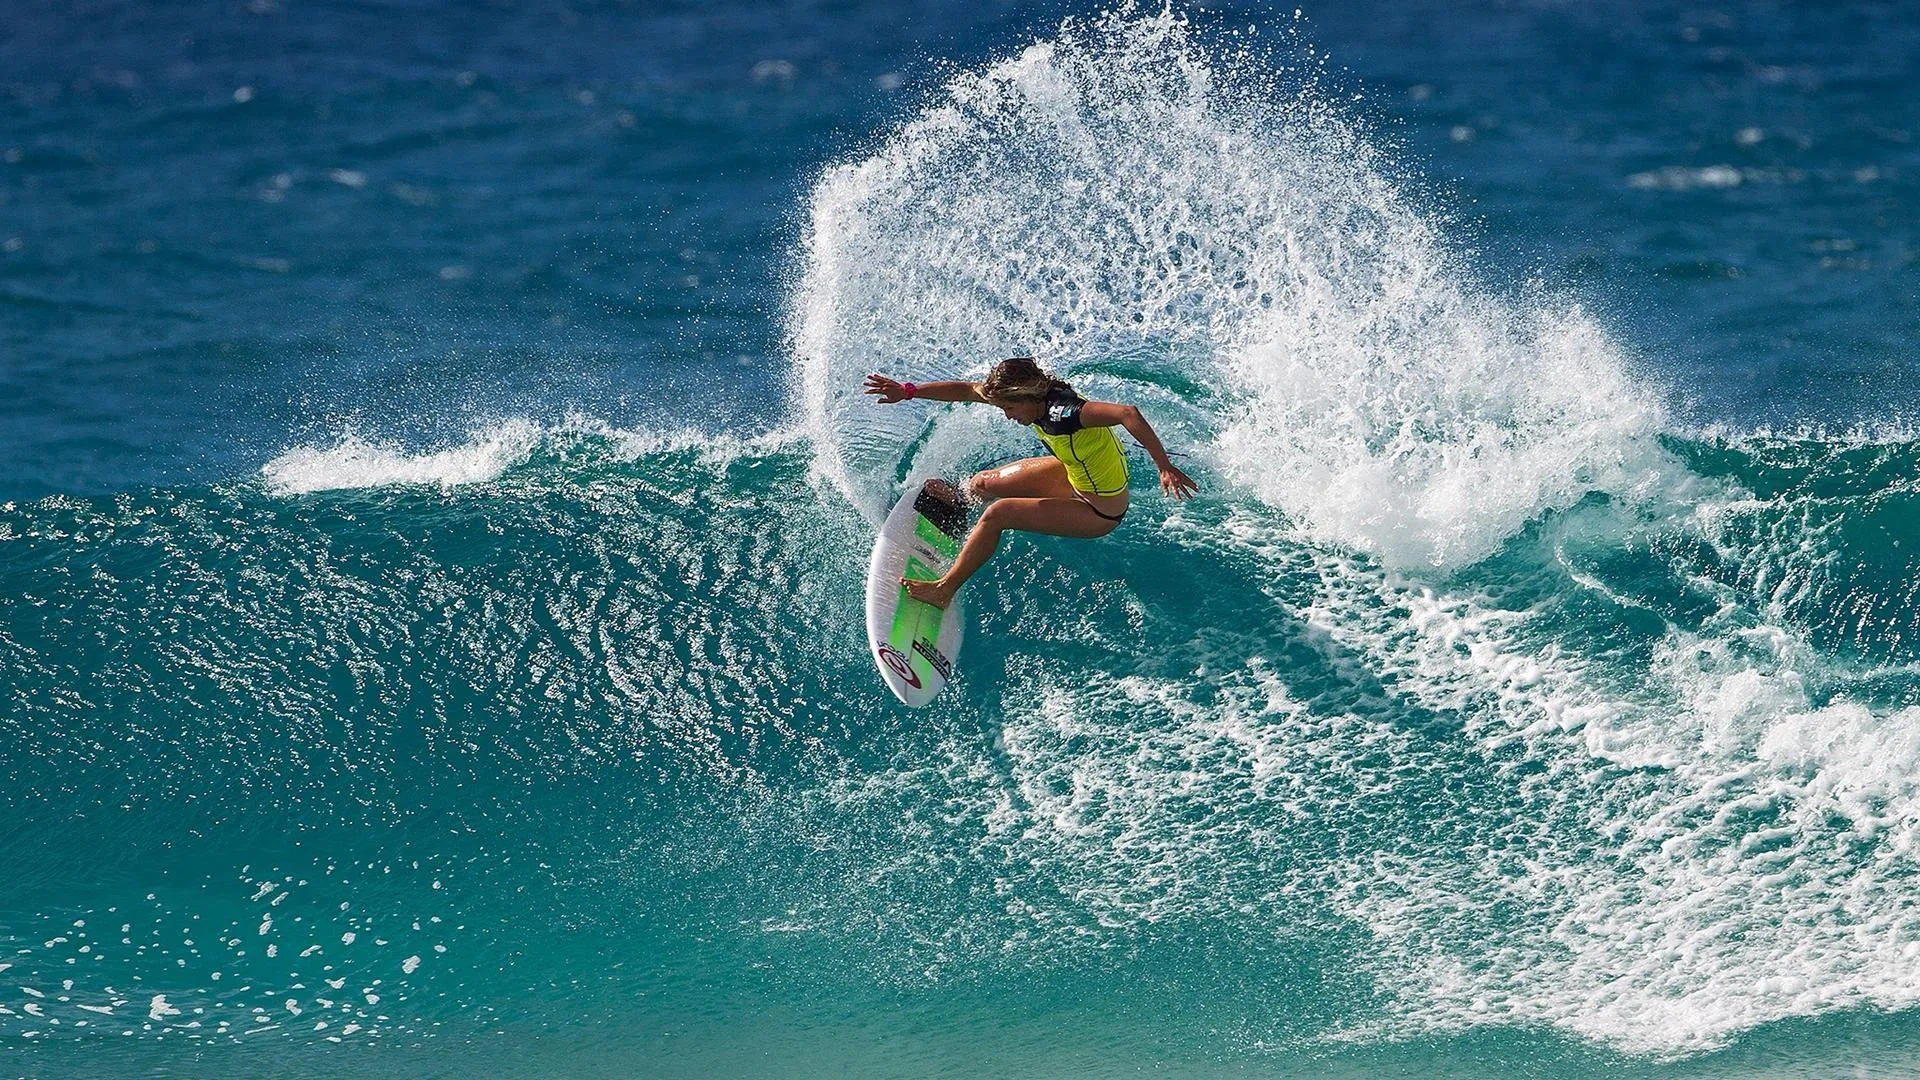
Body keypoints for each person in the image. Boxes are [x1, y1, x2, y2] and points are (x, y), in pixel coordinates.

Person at [864, 357, 1198, 609]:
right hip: (1074, 473)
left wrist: (1164, 466)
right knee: (982, 484)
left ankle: (943, 591)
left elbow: (1128, 413)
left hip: (1098, 509)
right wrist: (908, 391)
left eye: (1009, 408)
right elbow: (966, 390)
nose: (1008, 415)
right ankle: (959, 509)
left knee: (1000, 514)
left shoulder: (1067, 413)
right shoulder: (1030, 395)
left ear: (1028, 398)